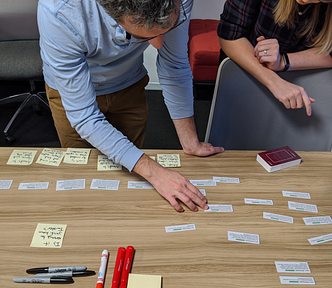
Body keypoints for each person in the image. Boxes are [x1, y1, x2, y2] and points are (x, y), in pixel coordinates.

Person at [37, 0, 224, 212]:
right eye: (144, 36)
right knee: (83, 179)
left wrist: (191, 142)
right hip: (72, 95)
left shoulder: (179, 1)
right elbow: (85, 116)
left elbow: (174, 64)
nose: (159, 43)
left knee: (129, 175)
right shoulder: (59, 10)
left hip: (128, 83)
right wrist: (156, 173)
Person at [218, 0, 332, 116]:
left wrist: (283, 61)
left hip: (303, 91)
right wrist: (275, 82)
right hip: (245, 81)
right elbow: (229, 34)